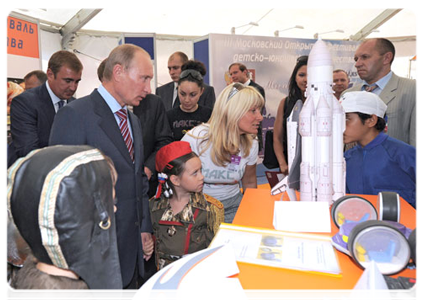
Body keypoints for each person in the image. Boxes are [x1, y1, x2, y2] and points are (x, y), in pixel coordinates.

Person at [49, 44, 154, 300]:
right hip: (94, 263)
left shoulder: (133, 121)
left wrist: (143, 228)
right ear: (118, 72)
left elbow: (137, 179)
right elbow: (60, 193)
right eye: (144, 78)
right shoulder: (75, 115)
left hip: (131, 255)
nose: (148, 89)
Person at [5, 145, 122, 300]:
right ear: (76, 218)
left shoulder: (32, 280)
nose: (113, 209)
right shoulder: (70, 294)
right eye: (108, 202)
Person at [182, 83, 264, 223]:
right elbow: (176, 182)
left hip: (234, 206)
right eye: (253, 111)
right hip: (197, 206)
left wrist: (252, 212)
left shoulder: (251, 143)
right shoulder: (196, 139)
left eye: (260, 111)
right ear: (234, 111)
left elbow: (249, 181)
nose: (260, 117)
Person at [150, 141, 224, 269]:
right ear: (175, 180)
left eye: (201, 170)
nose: (202, 177)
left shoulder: (210, 208)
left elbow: (217, 251)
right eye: (195, 173)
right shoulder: (153, 206)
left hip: (196, 275)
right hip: (163, 277)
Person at [341, 91, 420, 211]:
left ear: (371, 120)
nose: (339, 125)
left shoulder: (407, 155)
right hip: (358, 226)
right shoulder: (346, 158)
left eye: (346, 119)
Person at [6, 50, 83, 168]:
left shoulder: (76, 105)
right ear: (50, 74)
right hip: (34, 178)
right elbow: (28, 151)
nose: (73, 87)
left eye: (77, 81)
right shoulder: (25, 103)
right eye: (67, 81)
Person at [345, 38, 420, 148]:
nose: (357, 64)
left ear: (386, 58)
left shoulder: (414, 90)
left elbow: (418, 143)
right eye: (356, 59)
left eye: (365, 57)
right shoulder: (348, 95)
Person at [273, 56, 308, 174]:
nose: (305, 80)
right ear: (295, 78)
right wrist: (282, 163)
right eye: (301, 75)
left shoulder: (326, 102)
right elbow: (277, 137)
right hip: (290, 165)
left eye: (310, 75)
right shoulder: (285, 103)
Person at [167, 61, 212, 141]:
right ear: (177, 89)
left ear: (201, 91)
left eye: (193, 95)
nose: (187, 100)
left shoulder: (209, 115)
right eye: (182, 94)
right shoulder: (169, 116)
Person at [229, 62, 266, 150]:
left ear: (245, 72)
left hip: (252, 135)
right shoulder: (232, 90)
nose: (233, 76)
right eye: (231, 74)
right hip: (234, 137)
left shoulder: (257, 89)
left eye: (235, 72)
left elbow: (257, 113)